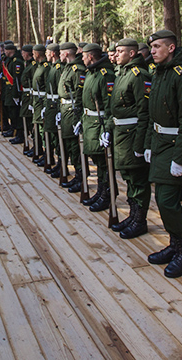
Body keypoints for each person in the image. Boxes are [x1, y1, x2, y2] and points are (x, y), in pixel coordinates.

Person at [143, 30, 182, 277]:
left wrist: (180, 158)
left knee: (167, 200)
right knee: (163, 199)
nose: (153, 50)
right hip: (159, 142)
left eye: (157, 46)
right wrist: (147, 143)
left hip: (175, 144)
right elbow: (150, 114)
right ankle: (174, 245)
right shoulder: (158, 74)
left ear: (172, 48)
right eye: (151, 46)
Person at [110, 38, 151, 238]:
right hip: (121, 135)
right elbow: (115, 108)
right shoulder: (123, 74)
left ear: (132, 53)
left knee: (138, 179)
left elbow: (145, 112)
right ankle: (133, 215)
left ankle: (140, 220)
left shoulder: (138, 75)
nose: (116, 54)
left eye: (120, 51)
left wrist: (140, 143)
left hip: (133, 134)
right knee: (128, 177)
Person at [80, 43, 115, 212]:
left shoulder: (105, 75)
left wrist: (107, 129)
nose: (82, 58)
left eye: (84, 56)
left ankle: (107, 194)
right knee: (97, 161)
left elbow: (109, 106)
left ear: (91, 56)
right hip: (89, 123)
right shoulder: (91, 73)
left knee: (103, 163)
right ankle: (101, 191)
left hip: (99, 124)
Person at [57, 43, 84, 189]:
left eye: (61, 52)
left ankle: (81, 177)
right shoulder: (67, 68)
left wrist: (77, 117)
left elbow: (79, 95)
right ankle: (76, 175)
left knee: (75, 146)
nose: (59, 55)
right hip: (65, 108)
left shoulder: (77, 70)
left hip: (73, 111)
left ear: (66, 53)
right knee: (68, 143)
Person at [43, 43, 62, 174]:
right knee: (53, 136)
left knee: (58, 137)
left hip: (56, 107)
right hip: (50, 105)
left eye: (47, 52)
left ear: (53, 54)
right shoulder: (51, 67)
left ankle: (62, 164)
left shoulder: (59, 68)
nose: (46, 55)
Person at [29, 44, 50, 161]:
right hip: (37, 101)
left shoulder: (45, 67)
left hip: (42, 102)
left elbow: (48, 86)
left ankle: (47, 154)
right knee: (36, 126)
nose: (32, 55)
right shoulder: (38, 66)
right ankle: (38, 149)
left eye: (33, 53)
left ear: (37, 53)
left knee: (42, 129)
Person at [1, 42, 25, 140]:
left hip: (13, 91)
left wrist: (16, 94)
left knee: (15, 113)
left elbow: (16, 79)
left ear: (10, 50)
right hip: (8, 91)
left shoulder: (17, 62)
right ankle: (12, 128)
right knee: (10, 111)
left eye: (6, 50)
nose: (4, 52)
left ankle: (19, 133)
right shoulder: (9, 60)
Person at [15, 45, 34, 147]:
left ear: (27, 53)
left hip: (30, 96)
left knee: (29, 121)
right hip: (25, 95)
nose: (22, 55)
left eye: (23, 53)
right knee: (24, 118)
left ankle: (36, 146)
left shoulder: (32, 65)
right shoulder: (27, 64)